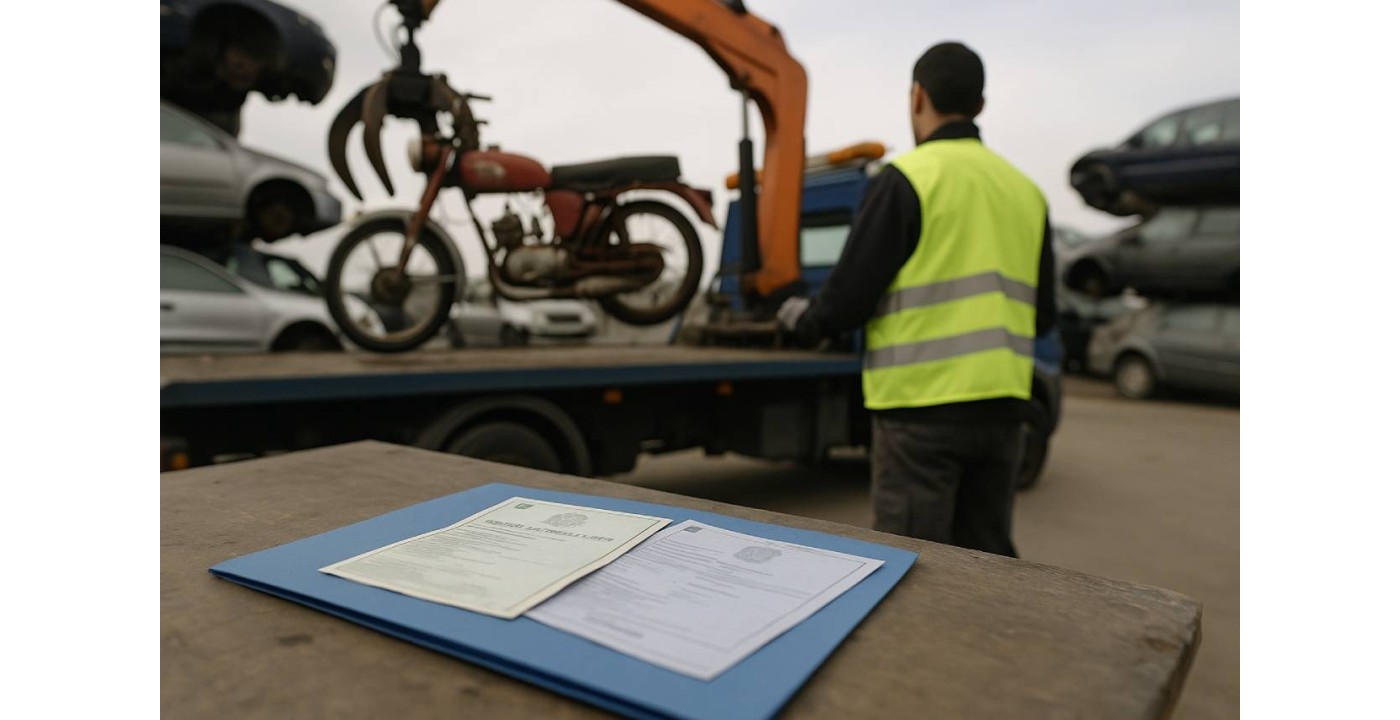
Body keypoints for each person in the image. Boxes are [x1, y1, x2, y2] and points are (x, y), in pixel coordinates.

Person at [777, 42, 1055, 557]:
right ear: (980, 106)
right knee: (987, 562)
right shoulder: (1027, 192)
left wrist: (799, 319)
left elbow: (847, 300)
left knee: (913, 569)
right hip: (1002, 413)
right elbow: (1043, 318)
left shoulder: (906, 180)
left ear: (917, 96)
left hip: (920, 412)